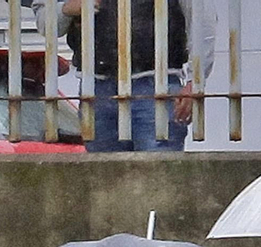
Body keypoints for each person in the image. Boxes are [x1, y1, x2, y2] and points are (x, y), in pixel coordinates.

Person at [42, 0, 216, 152]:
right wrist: (66, 9)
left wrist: (196, 80)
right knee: (108, 179)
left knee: (154, 175)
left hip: (156, 83)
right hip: (97, 88)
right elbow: (44, 22)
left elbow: (202, 20)